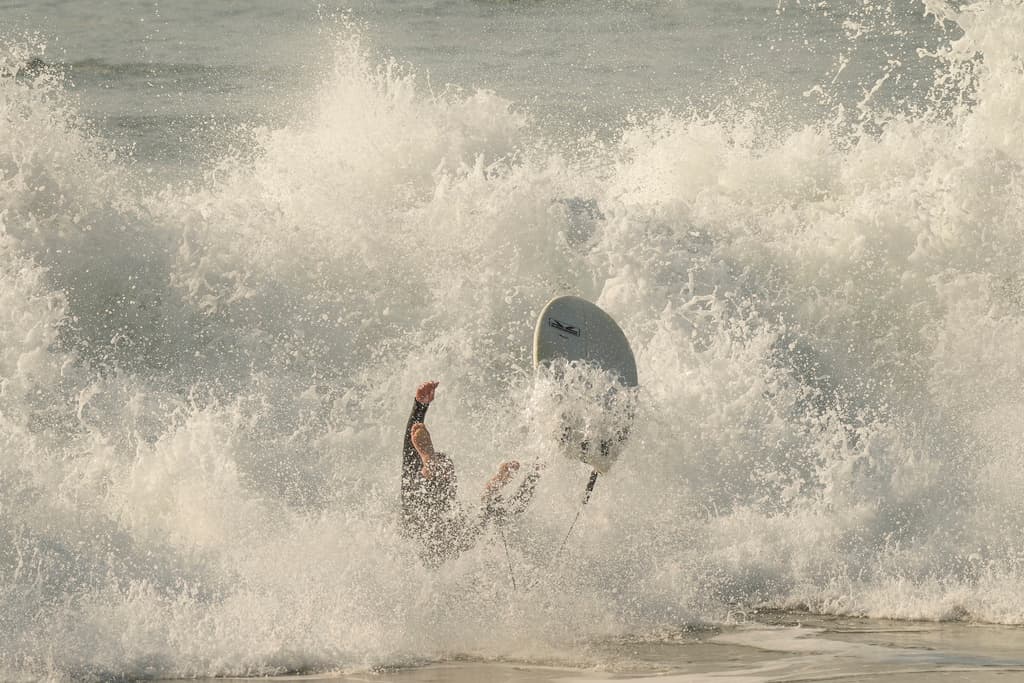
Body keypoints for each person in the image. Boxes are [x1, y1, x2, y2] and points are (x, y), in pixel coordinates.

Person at [400, 380, 539, 565]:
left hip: (423, 544)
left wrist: (420, 406)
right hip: (443, 540)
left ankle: (433, 467)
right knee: (487, 514)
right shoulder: (454, 522)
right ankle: (492, 490)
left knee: (419, 503)